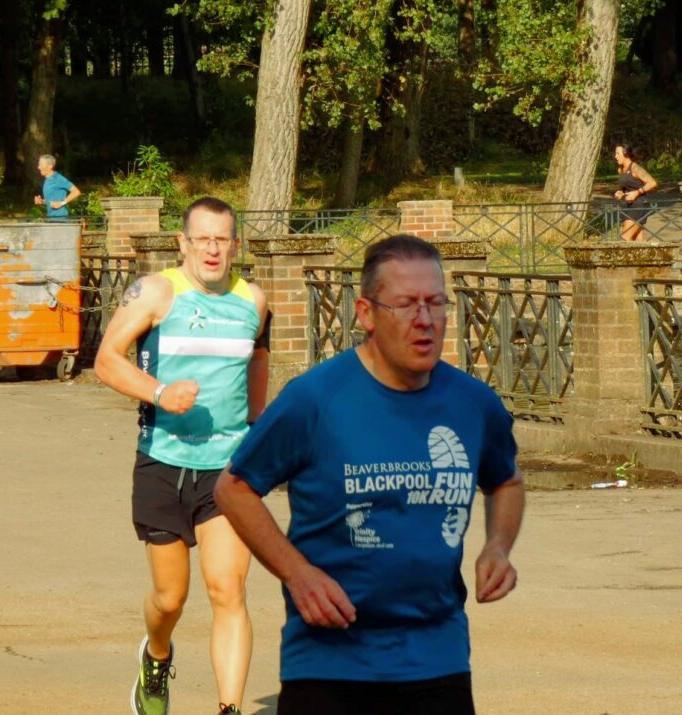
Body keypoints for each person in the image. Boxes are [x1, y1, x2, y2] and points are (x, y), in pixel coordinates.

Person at [214, 234, 525, 715]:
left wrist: (498, 546)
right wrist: (298, 574)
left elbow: (505, 480)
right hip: (330, 661)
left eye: (436, 303)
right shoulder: (316, 399)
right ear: (366, 312)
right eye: (405, 305)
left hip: (436, 656)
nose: (425, 320)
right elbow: (234, 488)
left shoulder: (473, 403)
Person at [94, 197, 269, 715]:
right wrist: (159, 393)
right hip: (163, 463)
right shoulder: (156, 292)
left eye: (223, 240)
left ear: (235, 244)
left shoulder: (253, 300)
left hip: (228, 471)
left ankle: (229, 709)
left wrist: (257, 426)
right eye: (203, 239)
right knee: (170, 599)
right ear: (183, 243)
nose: (213, 250)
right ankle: (157, 654)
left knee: (228, 589)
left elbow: (258, 356)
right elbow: (106, 360)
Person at [613, 143, 658, 242]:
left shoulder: (635, 168)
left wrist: (637, 193)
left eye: (618, 153)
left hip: (639, 205)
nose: (615, 156)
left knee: (625, 238)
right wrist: (620, 192)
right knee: (638, 240)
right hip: (628, 206)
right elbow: (625, 187)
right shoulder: (620, 170)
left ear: (626, 154)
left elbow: (652, 183)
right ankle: (649, 257)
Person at [33, 154, 81, 219]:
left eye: (41, 165)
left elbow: (76, 191)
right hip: (51, 220)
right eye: (39, 165)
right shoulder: (47, 179)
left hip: (61, 220)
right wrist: (41, 201)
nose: (38, 167)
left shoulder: (58, 178)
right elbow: (51, 201)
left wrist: (62, 203)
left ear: (50, 166)